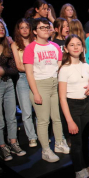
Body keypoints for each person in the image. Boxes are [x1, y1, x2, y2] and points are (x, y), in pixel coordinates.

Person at [23, 18, 69, 163]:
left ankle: (59, 143)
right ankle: (45, 150)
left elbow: (59, 66)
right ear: (35, 31)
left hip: (54, 84)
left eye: (47, 27)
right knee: (43, 120)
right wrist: (35, 92)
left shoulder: (55, 46)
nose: (46, 30)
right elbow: (29, 73)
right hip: (40, 84)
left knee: (56, 117)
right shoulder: (31, 48)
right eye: (42, 28)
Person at [58, 34, 89, 178]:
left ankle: (87, 167)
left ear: (82, 48)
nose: (76, 47)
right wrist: (69, 121)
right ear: (66, 49)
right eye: (72, 45)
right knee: (77, 144)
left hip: (85, 106)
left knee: (85, 141)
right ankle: (79, 173)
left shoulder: (86, 66)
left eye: (78, 44)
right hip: (71, 107)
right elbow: (62, 97)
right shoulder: (64, 69)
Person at [0, 20, 26, 161]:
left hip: (8, 84)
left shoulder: (6, 47)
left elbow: (14, 69)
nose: (1, 29)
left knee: (11, 116)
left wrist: (2, 71)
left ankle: (13, 143)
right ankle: (2, 146)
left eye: (2, 27)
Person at [11, 18, 37, 147]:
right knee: (27, 112)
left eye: (27, 27)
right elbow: (19, 66)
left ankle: (41, 135)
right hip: (23, 79)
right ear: (18, 30)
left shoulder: (36, 43)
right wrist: (33, 68)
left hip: (37, 78)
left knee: (39, 110)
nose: (25, 30)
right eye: (22, 27)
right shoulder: (15, 44)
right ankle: (32, 137)